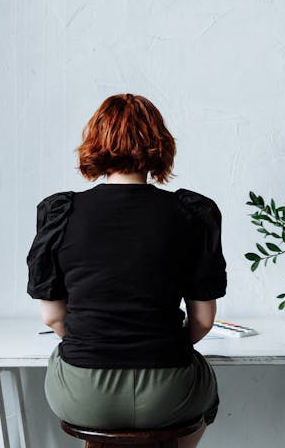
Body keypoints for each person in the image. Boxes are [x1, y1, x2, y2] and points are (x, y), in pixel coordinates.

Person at [27, 93, 226, 447]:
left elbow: (53, 318)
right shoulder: (191, 214)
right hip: (169, 392)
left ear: (96, 144)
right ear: (159, 144)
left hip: (83, 394)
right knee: (202, 398)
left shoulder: (62, 213)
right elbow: (203, 321)